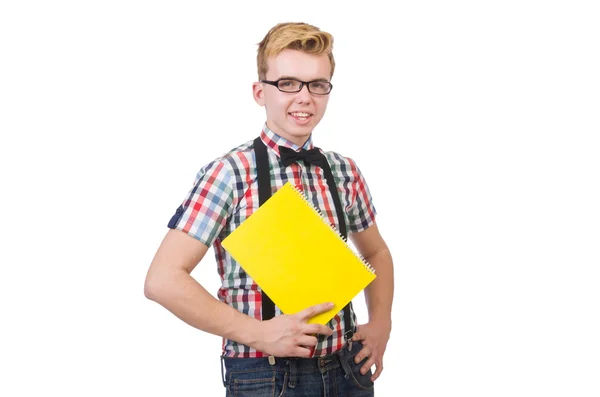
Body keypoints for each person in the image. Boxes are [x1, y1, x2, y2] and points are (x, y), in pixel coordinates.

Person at [144, 22, 394, 396]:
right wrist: (259, 333)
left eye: (317, 84)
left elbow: (375, 251)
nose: (304, 97)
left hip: (348, 370)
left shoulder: (344, 170)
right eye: (288, 83)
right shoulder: (229, 173)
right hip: (267, 377)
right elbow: (163, 280)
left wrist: (381, 324)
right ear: (260, 92)